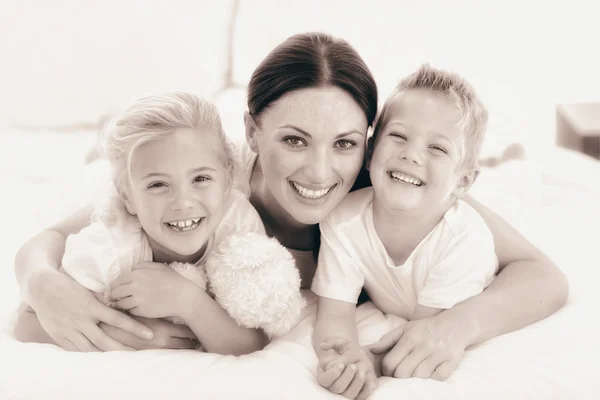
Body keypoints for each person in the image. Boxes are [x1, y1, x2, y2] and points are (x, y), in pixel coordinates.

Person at [13, 32, 567, 399]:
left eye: (346, 143)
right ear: (251, 133)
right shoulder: (210, 189)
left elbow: (542, 275)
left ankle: (505, 158)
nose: (321, 172)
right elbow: (59, 233)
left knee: (507, 171)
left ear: (370, 143)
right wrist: (41, 281)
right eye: (295, 140)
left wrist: (455, 326)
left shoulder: (388, 190)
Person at [14, 92, 269, 355]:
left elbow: (254, 341)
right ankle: (95, 152)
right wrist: (126, 333)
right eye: (158, 184)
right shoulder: (108, 247)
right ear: (126, 197)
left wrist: (188, 302)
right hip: (109, 203)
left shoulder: (239, 227)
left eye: (200, 179)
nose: (183, 202)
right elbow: (25, 323)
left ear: (228, 181)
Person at [312, 64, 498, 397]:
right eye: (398, 136)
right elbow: (335, 313)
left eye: (437, 148)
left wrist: (369, 360)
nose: (411, 154)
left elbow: (420, 338)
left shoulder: (464, 240)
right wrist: (342, 357)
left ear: (464, 181)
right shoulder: (342, 219)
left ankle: (508, 160)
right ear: (370, 152)